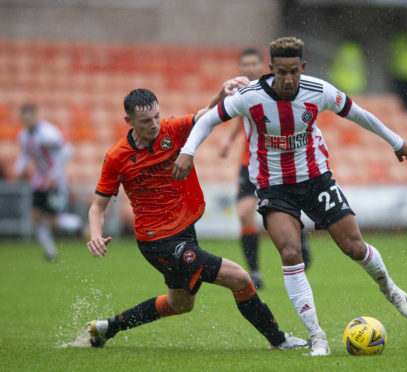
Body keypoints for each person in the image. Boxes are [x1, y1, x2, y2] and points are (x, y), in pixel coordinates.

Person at [173, 37, 407, 357]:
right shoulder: (250, 97)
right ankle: (317, 337)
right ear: (271, 68)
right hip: (273, 186)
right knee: (290, 254)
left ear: (302, 68)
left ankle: (389, 288)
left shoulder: (320, 91)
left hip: (316, 179)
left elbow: (359, 114)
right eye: (282, 72)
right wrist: (188, 152)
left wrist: (396, 141)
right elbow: (208, 119)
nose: (288, 79)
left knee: (354, 247)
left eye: (294, 72)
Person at [85, 84, 309, 351]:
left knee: (179, 304)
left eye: (157, 116)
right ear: (128, 121)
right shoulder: (116, 157)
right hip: (158, 241)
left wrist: (219, 94)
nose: (154, 124)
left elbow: (205, 116)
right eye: (146, 121)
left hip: (184, 230)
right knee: (239, 278)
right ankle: (279, 340)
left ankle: (107, 328)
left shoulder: (171, 129)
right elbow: (97, 206)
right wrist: (96, 234)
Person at [220, 48, 312, 289]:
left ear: (263, 65)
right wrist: (229, 141)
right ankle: (255, 271)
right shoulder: (241, 90)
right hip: (247, 164)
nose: (250, 67)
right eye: (246, 64)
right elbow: (241, 118)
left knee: (287, 208)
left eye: (254, 63)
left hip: (273, 164)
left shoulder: (276, 88)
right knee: (244, 214)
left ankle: (300, 238)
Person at [15, 104, 81, 261]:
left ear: (35, 115)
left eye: (30, 115)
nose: (27, 119)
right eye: (25, 116)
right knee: (36, 216)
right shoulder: (23, 136)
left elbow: (66, 151)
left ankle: (77, 224)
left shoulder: (48, 133)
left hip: (54, 182)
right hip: (39, 181)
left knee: (52, 219)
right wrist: (19, 169)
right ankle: (50, 252)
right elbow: (25, 155)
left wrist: (55, 174)